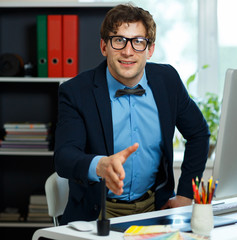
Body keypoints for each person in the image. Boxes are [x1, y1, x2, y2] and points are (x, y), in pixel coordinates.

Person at [54, 3, 210, 225]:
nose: (128, 51)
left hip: (155, 209)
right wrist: (100, 166)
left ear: (150, 49)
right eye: (119, 40)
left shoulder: (168, 81)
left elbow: (199, 134)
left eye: (138, 41)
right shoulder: (76, 91)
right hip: (98, 212)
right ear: (104, 46)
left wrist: (186, 193)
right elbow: (64, 157)